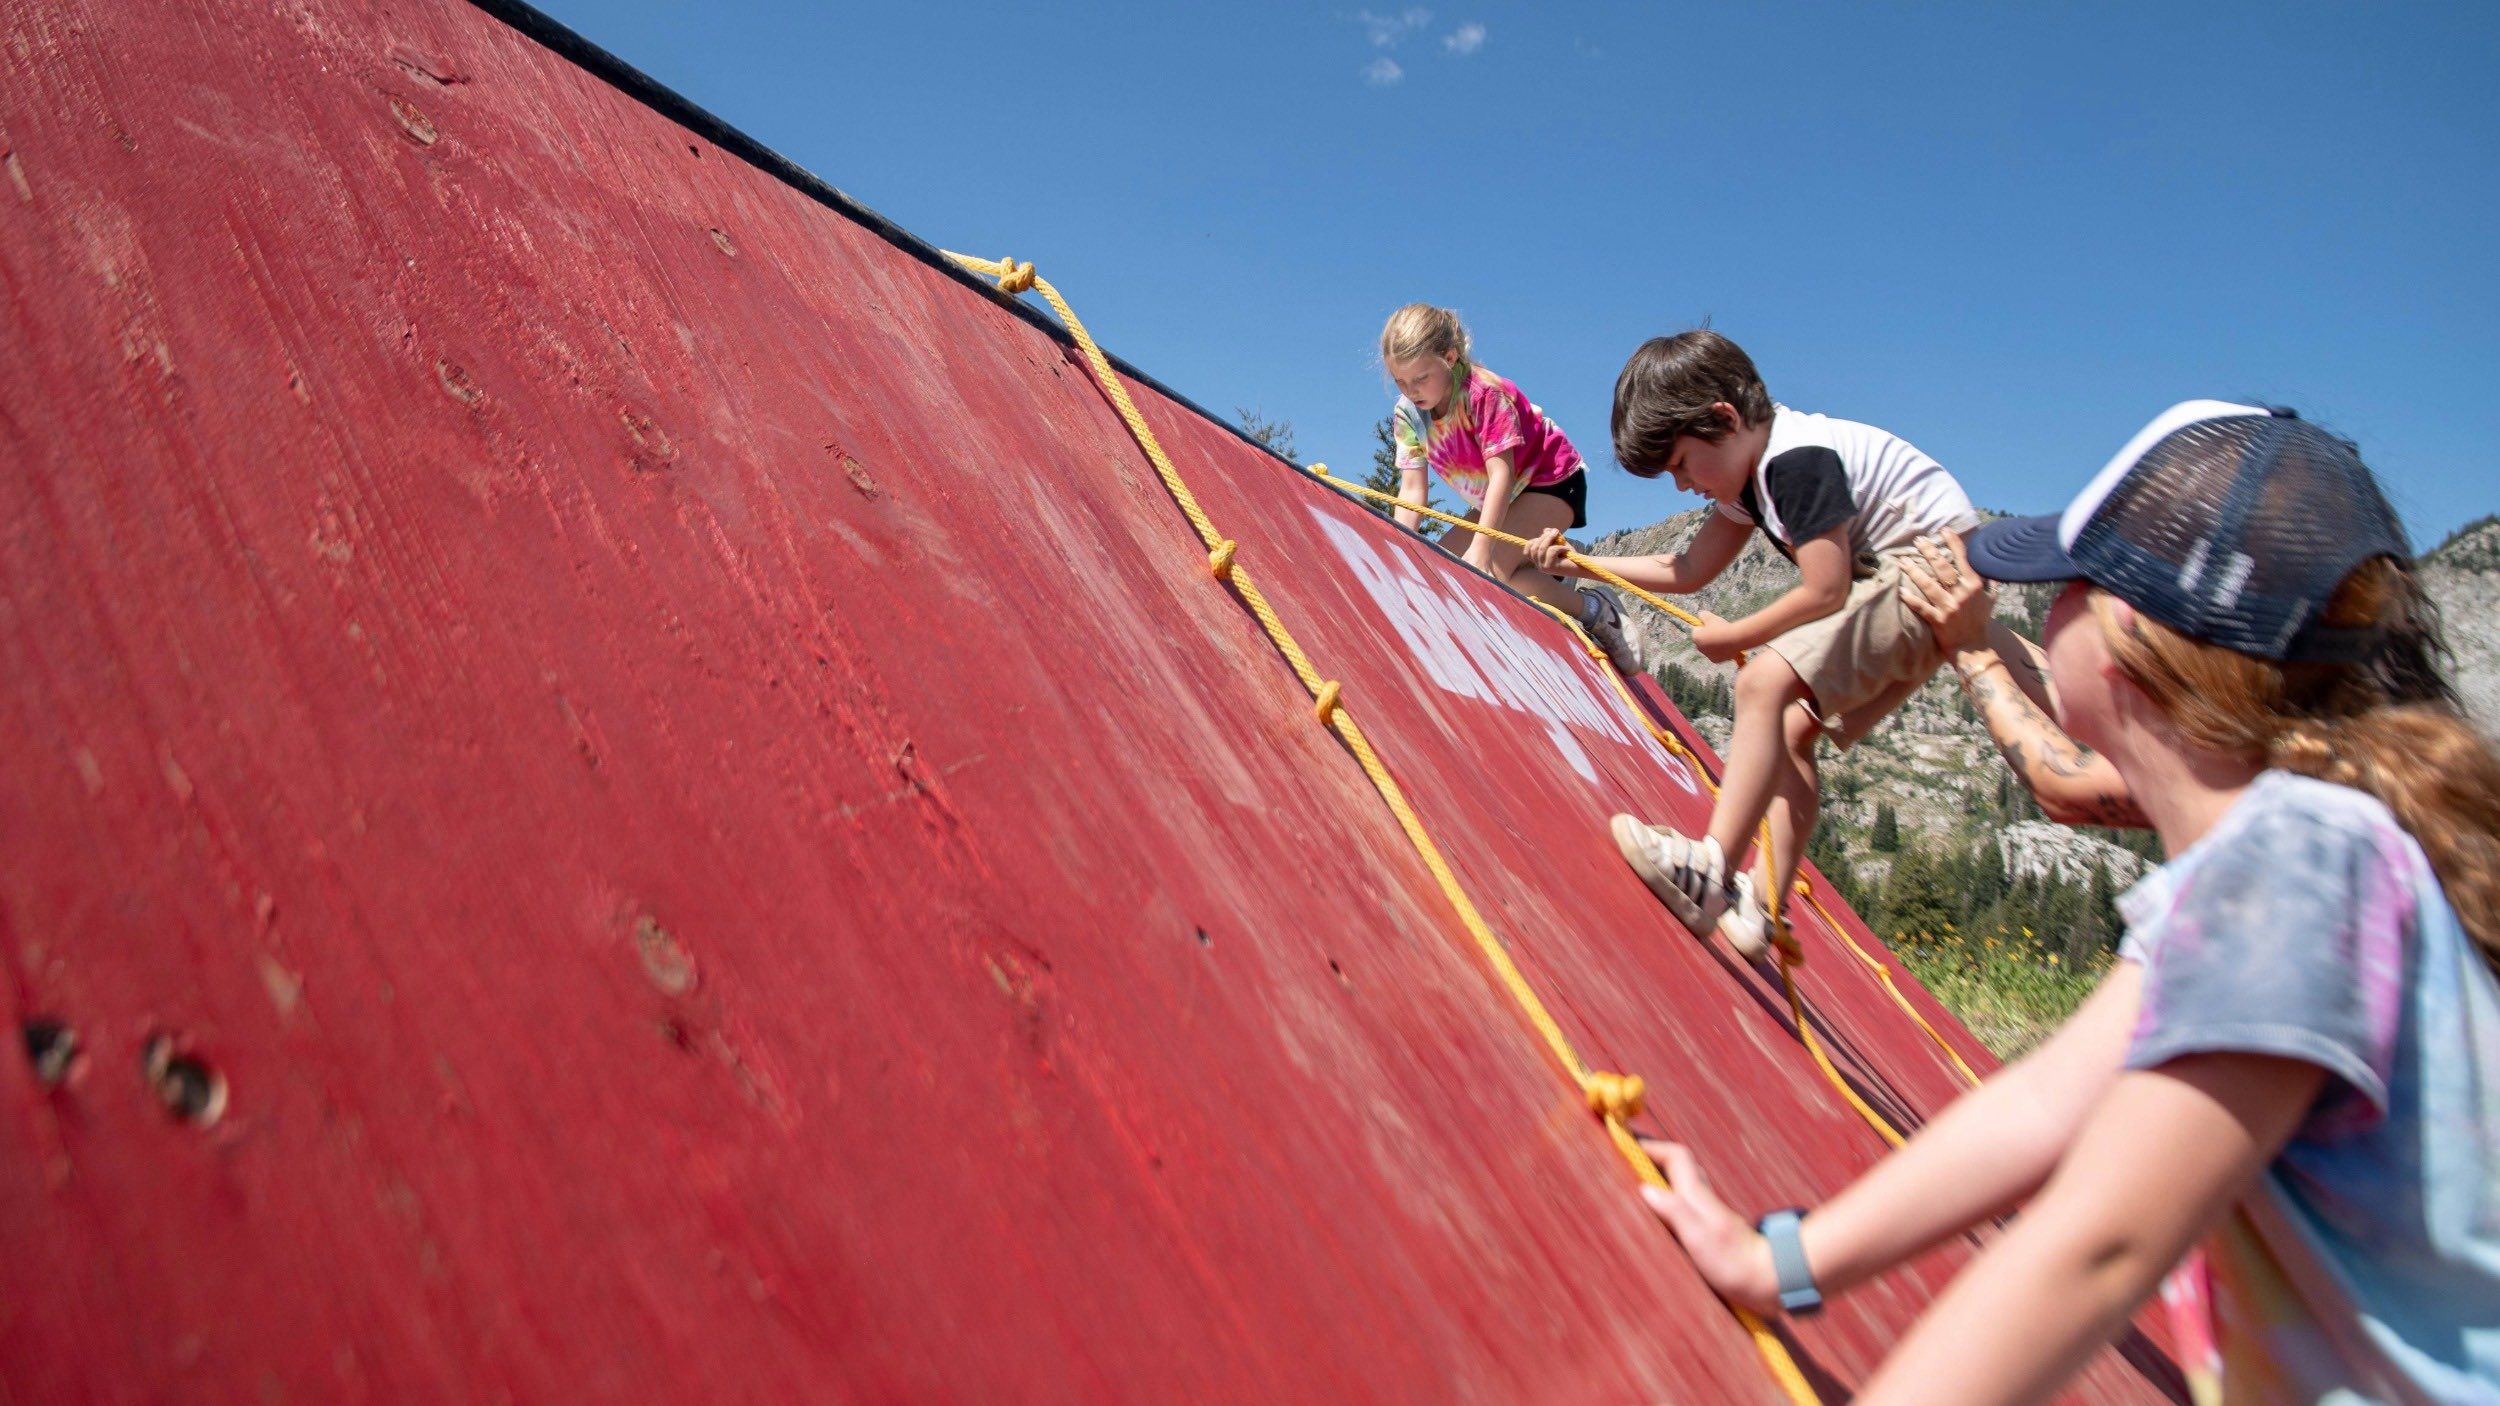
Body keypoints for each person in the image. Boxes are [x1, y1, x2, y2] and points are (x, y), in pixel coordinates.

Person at [1635, 402, 2500, 1404]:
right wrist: (1778, 1259)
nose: (2035, 611)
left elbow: (2099, 1241)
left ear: (2128, 630)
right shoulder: (2291, 859)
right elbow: (2045, 1107)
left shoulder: (2301, 869)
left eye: (2059, 584)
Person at [1530, 330, 1976, 955]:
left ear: (1723, 418)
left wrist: (1737, 636)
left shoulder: (1793, 461)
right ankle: (1762, 906)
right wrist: (1583, 566)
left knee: (1762, 681)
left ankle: (1711, 871)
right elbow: (1690, 569)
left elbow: (1826, 588)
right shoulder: (1750, 479)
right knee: (1792, 731)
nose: (1682, 486)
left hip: (1928, 571)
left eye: (1682, 463)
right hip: (1924, 580)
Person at [1379, 304, 1642, 672]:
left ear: (1450, 358)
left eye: (1420, 378)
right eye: (1401, 382)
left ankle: (1598, 610)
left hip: (1551, 482)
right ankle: (1545, 570)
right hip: (1503, 496)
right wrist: (1399, 551)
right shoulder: (1409, 413)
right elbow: (1411, 489)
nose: (1411, 390)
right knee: (1433, 573)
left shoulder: (1483, 393)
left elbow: (1502, 473)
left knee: (1482, 582)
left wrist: (1483, 549)